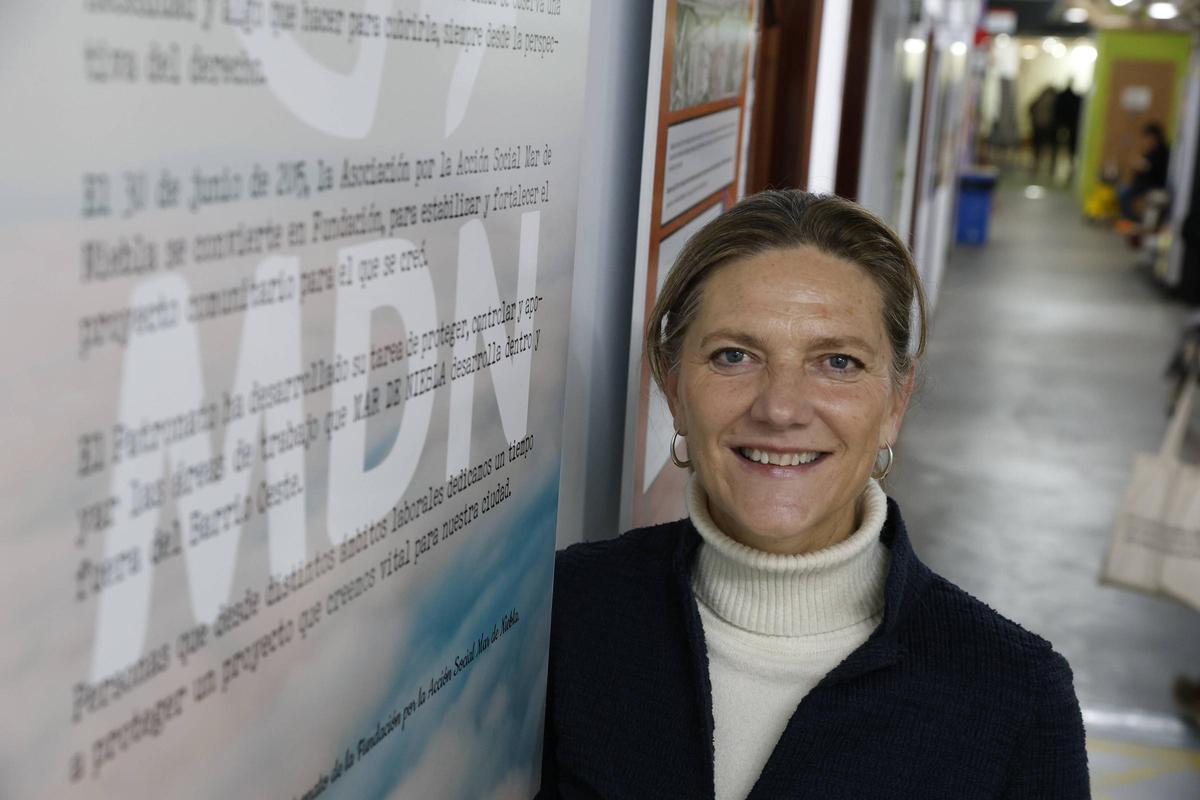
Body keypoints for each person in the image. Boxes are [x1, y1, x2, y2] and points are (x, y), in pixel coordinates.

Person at [539, 191, 1089, 799]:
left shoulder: (1014, 696)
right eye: (734, 355)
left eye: (838, 362)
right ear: (674, 388)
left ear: (894, 406)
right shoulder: (567, 614)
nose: (780, 408)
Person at [1118, 121, 1171, 223]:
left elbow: (1148, 166)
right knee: (1122, 189)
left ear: (1154, 137)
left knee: (1123, 193)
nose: (1146, 141)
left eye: (1148, 137)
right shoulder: (1152, 149)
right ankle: (1132, 219)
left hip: (1152, 185)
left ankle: (1134, 220)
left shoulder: (1161, 150)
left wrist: (1138, 163)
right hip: (1143, 183)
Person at [1029, 86, 1058, 175]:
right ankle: (1049, 165)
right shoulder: (1054, 101)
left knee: (1039, 146)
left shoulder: (1040, 99)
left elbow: (1030, 108)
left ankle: (1037, 162)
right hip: (1048, 127)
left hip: (1039, 126)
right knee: (1049, 146)